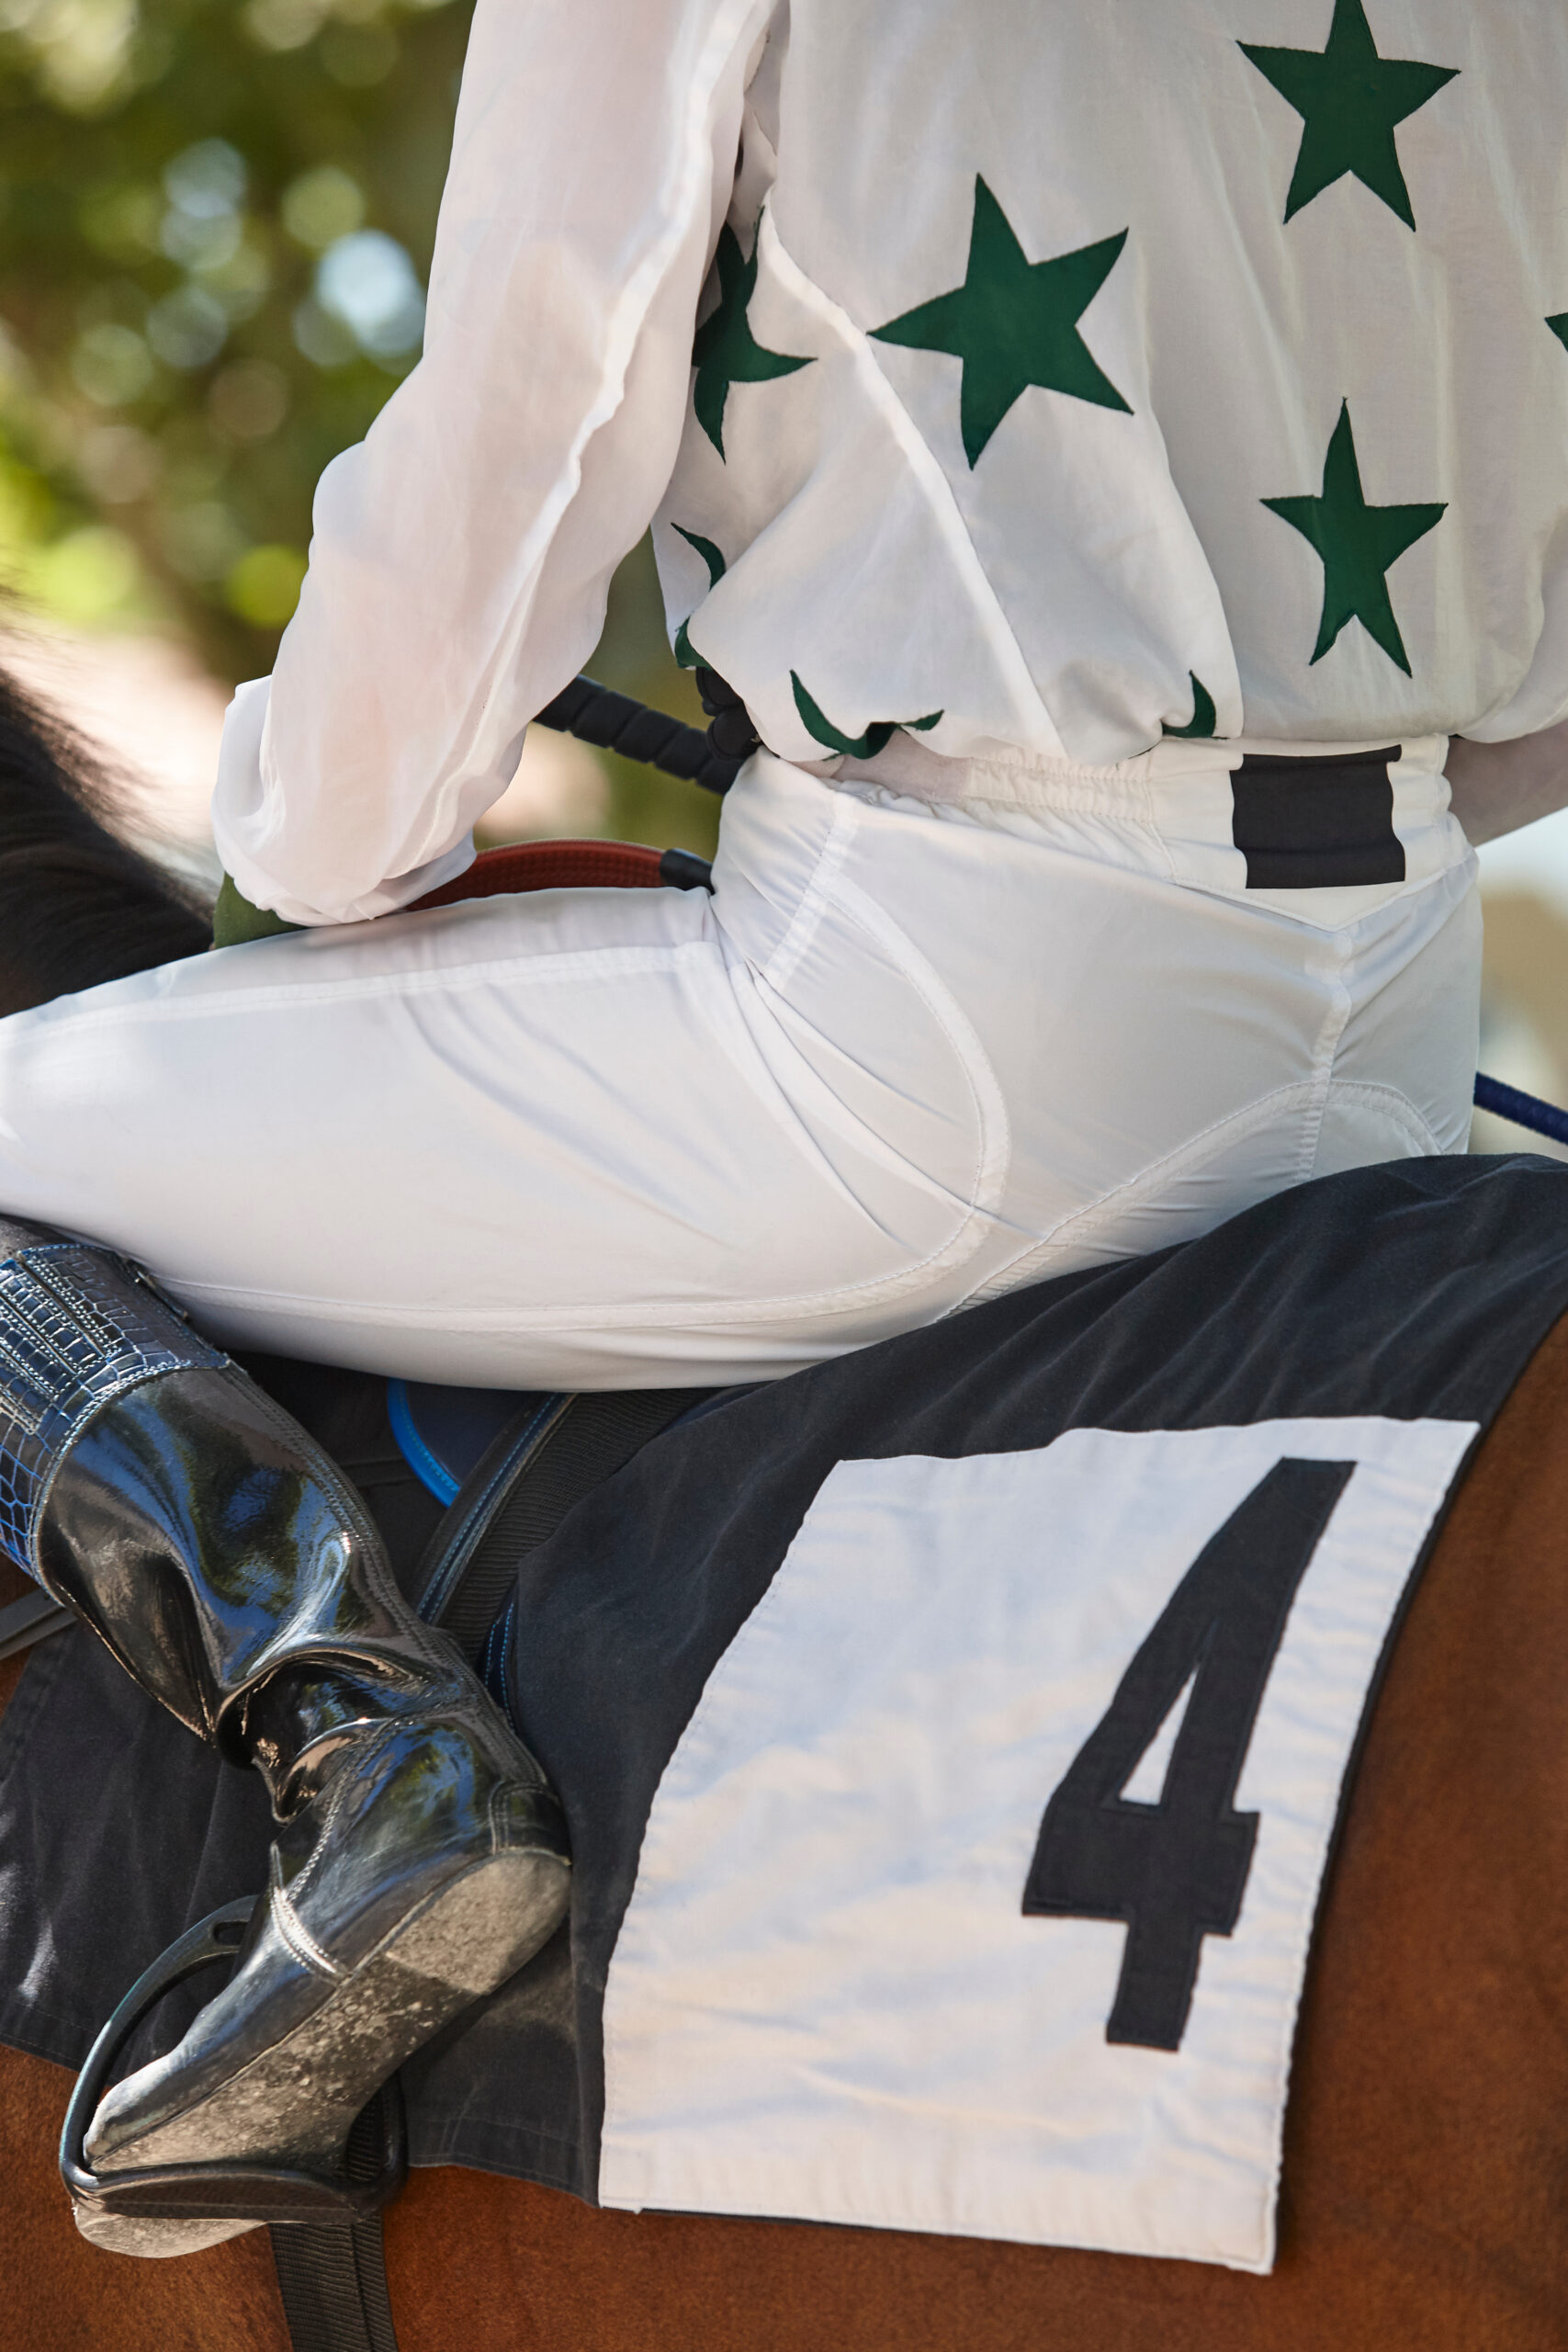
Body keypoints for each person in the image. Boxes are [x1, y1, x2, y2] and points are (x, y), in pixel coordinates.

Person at [3, 0, 1568, 2246]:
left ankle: (369, 1757)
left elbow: (532, 422)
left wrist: (301, 826)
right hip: (1392, 1008)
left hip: (933, 1039)